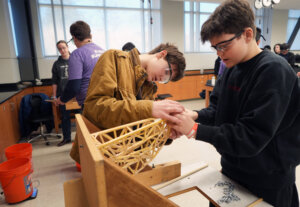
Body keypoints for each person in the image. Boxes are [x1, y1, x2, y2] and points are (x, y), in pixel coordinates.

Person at [169, 0, 300, 206]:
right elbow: (216, 111)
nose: (219, 54)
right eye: (215, 48)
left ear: (248, 35)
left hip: (268, 179)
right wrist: (194, 115)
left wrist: (194, 129)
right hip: (234, 169)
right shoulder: (231, 68)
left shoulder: (274, 70)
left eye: (224, 45)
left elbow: (250, 137)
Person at [69, 43, 186, 163]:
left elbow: (140, 130)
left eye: (166, 80)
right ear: (161, 55)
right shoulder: (114, 58)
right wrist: (148, 108)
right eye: (167, 72)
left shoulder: (149, 87)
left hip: (124, 158)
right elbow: (95, 108)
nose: (162, 78)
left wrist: (164, 133)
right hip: (99, 154)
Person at [55, 20, 105, 146]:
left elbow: (74, 86)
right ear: (90, 35)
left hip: (89, 102)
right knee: (103, 136)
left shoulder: (77, 54)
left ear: (74, 38)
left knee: (92, 140)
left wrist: (63, 99)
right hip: (107, 100)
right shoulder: (104, 51)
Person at [51, 40, 72, 146]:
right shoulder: (56, 64)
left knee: (82, 116)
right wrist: (54, 96)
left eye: (64, 47)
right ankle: (67, 138)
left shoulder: (76, 59)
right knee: (65, 118)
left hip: (76, 95)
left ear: (67, 47)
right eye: (60, 49)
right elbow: (54, 81)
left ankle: (84, 139)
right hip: (63, 95)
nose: (62, 50)